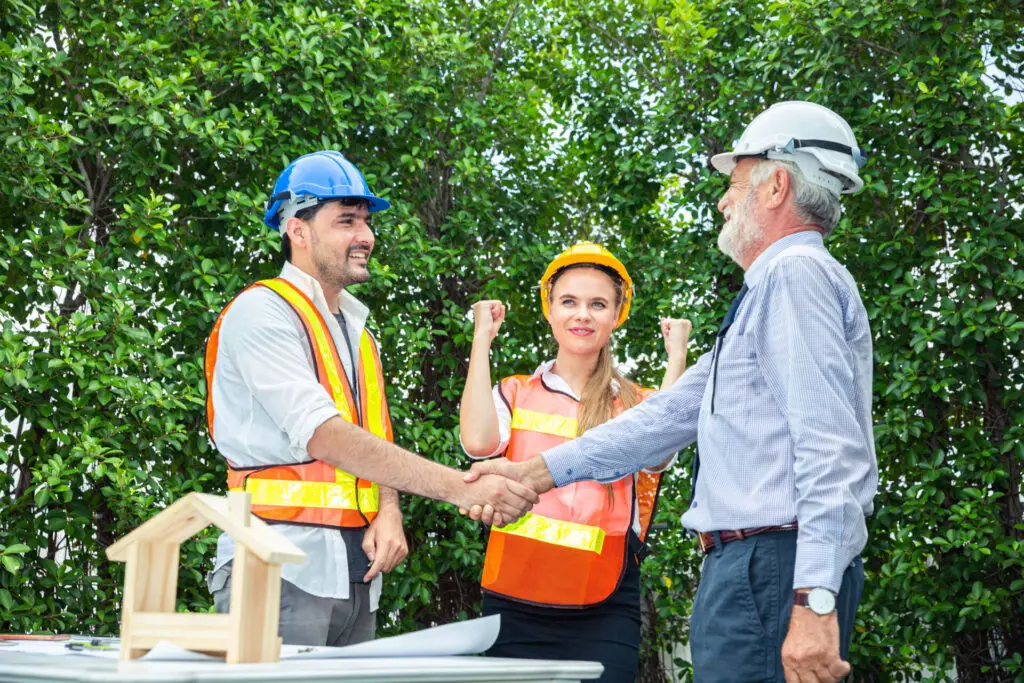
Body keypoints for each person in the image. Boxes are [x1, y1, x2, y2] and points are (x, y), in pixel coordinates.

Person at [466, 102, 878, 683]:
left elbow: (829, 445)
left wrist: (814, 600)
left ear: (777, 184)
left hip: (773, 569)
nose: (722, 200)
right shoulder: (769, 293)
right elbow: (667, 416)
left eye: (734, 184)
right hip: (755, 568)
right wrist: (533, 475)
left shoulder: (794, 276)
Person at [204, 150, 537, 647]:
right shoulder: (261, 312)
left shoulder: (357, 330)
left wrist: (389, 509)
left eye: (365, 220)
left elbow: (371, 437)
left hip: (356, 571)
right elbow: (326, 436)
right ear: (297, 230)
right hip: (274, 565)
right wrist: (463, 489)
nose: (366, 236)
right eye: (346, 221)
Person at [460, 242, 691, 682]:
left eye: (597, 304)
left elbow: (662, 447)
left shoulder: (637, 403)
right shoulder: (516, 391)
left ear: (616, 316)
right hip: (514, 602)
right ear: (549, 310)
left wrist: (676, 357)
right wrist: (481, 339)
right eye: (569, 302)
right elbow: (477, 441)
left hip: (603, 607)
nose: (582, 314)